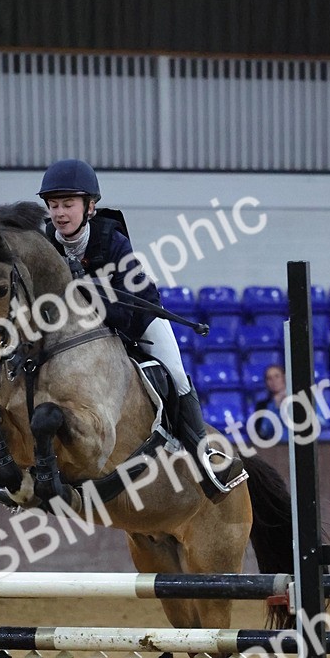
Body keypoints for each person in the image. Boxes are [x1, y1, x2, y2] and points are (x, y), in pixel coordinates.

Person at [37, 159, 246, 497]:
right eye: (54, 204)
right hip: (84, 334)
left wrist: (84, 291)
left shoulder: (112, 240)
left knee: (176, 375)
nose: (60, 213)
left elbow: (124, 314)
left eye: (68, 204)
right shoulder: (47, 243)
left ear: (89, 207)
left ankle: (203, 458)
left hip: (137, 317)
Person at [253, 363, 289, 442]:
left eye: (277, 376)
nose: (274, 381)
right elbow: (261, 432)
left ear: (284, 378)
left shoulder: (296, 401)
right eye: (269, 378)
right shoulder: (261, 406)